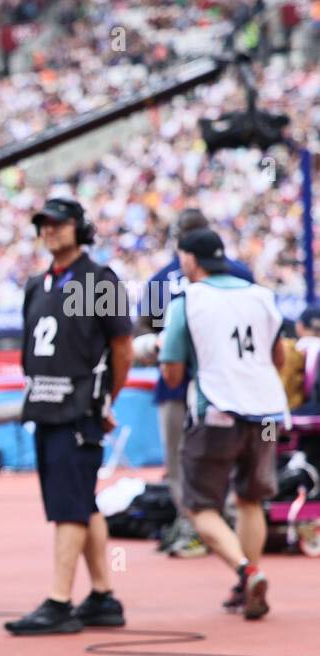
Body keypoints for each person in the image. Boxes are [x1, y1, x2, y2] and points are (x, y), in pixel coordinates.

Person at [4, 197, 132, 637]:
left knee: (68, 508)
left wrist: (105, 401)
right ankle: (103, 596)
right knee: (82, 501)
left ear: (80, 227)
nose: (50, 230)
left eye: (58, 223)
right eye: (44, 224)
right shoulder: (37, 284)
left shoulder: (99, 279)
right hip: (46, 406)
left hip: (79, 410)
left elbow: (122, 346)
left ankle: (60, 602)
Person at [158, 228, 289, 619]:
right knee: (251, 499)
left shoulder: (187, 299)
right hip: (266, 412)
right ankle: (247, 580)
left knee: (200, 506)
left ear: (189, 260)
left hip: (217, 411)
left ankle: (246, 571)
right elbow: (279, 358)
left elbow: (172, 372)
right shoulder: (262, 296)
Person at [139, 208, 254, 558]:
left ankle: (192, 525)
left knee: (179, 461)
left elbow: (143, 327)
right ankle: (230, 521)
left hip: (178, 382)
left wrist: (165, 343)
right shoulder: (240, 273)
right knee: (235, 459)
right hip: (233, 382)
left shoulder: (162, 280)